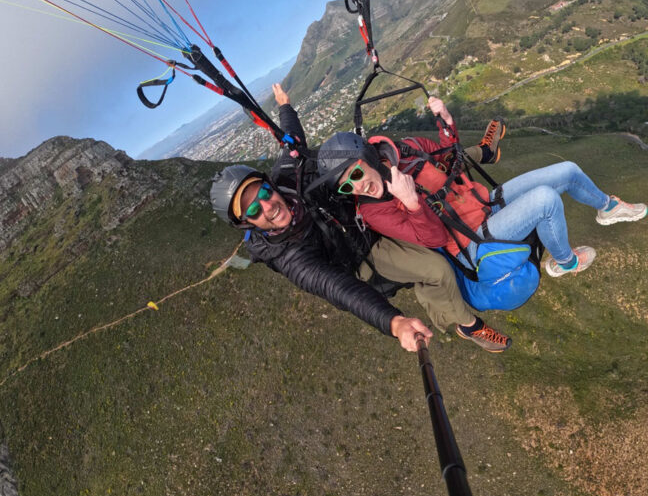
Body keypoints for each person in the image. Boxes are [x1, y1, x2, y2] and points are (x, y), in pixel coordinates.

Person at [209, 85, 512, 353]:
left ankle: (481, 153)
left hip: (367, 199)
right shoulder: (291, 258)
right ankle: (467, 324)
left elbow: (292, 143)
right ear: (247, 223)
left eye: (262, 192)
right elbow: (337, 288)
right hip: (366, 251)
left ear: (268, 184)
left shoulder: (286, 177)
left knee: (414, 161)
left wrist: (285, 105)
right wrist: (393, 322)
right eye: (252, 211)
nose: (266, 206)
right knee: (437, 268)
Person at [314, 96, 648, 278]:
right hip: (469, 240)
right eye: (346, 188)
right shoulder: (376, 211)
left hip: (483, 202)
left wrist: (445, 124)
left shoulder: (407, 149)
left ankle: (607, 207)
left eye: (355, 175)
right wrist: (412, 203)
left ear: (367, 157)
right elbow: (432, 240)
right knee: (546, 200)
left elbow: (450, 159)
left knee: (567, 169)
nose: (357, 188)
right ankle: (564, 261)